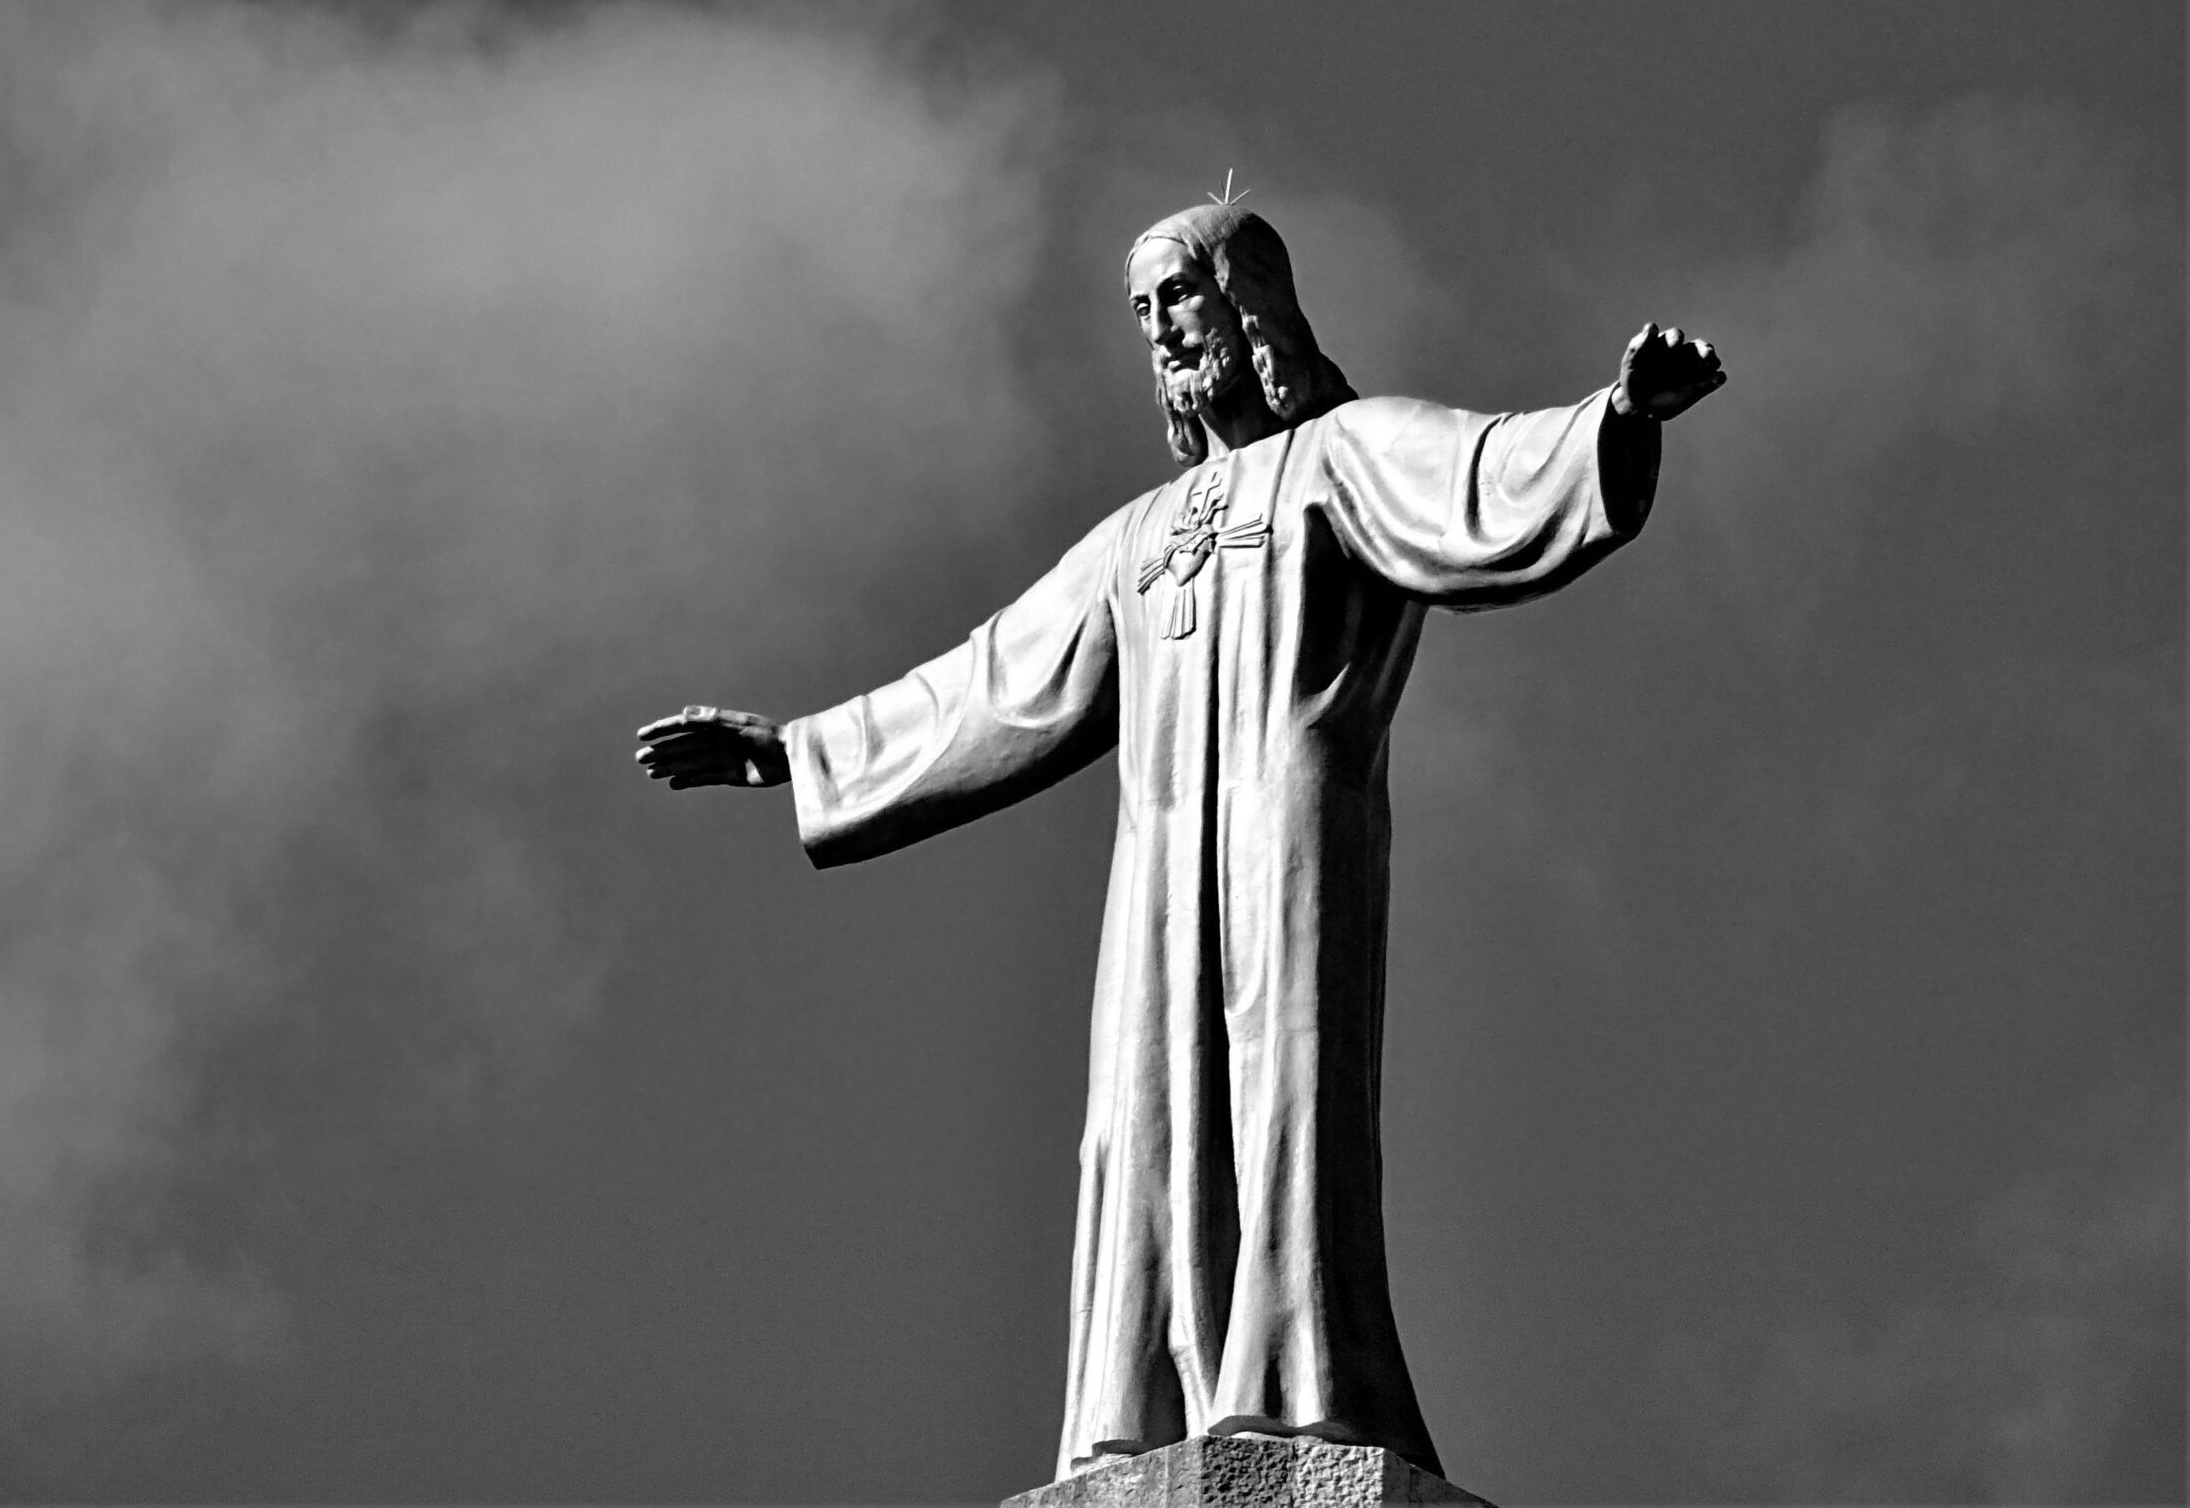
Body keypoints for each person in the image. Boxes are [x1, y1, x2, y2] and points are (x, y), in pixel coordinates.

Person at [634, 204, 1725, 1480]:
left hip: (1289, 830)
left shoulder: (1340, 456)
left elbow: (1481, 474)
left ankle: (1295, 1378)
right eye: (1143, 311)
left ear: (1248, 306)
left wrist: (1620, 417)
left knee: (1282, 1094)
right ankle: (1136, 1406)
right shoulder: (1135, 541)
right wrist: (797, 749)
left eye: (1179, 298)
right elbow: (989, 685)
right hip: (1157, 872)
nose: (1160, 331)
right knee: (1142, 1116)